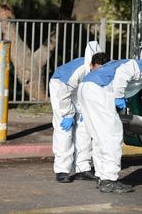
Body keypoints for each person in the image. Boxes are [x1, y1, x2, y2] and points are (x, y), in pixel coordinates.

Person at [78, 45, 142, 193]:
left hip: (86, 87)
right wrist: (119, 95)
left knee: (99, 137)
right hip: (99, 91)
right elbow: (123, 73)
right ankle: (109, 179)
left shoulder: (139, 66)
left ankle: (103, 177)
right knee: (112, 136)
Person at [49, 41, 110, 183]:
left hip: (79, 89)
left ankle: (83, 167)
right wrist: (68, 114)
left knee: (85, 127)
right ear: (91, 65)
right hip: (61, 86)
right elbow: (64, 93)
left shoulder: (103, 68)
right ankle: (62, 170)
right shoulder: (79, 71)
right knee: (65, 129)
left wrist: (83, 110)